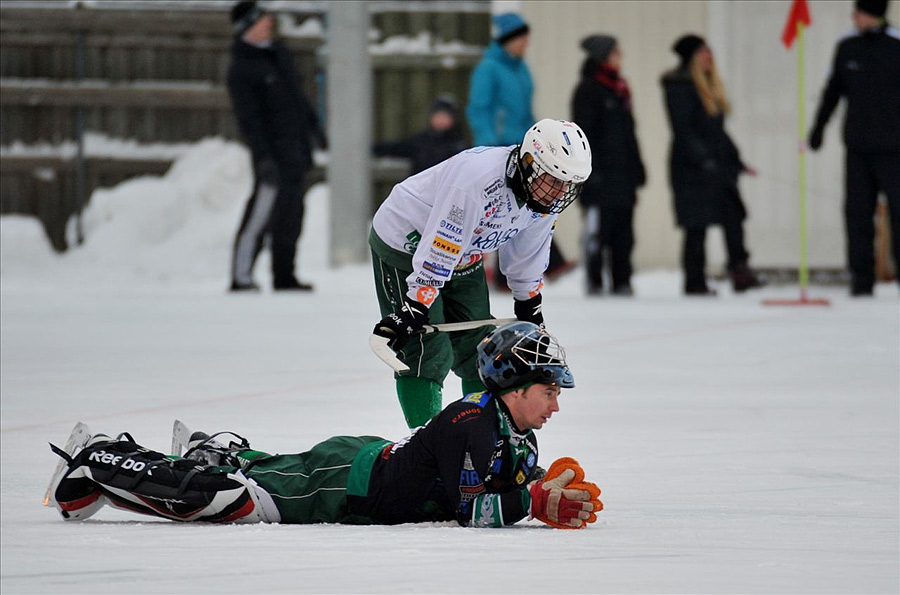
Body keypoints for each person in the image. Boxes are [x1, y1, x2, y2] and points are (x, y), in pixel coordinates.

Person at [48, 322, 603, 530]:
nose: (556, 404)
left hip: (358, 466)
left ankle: (214, 449)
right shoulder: (473, 417)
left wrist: (540, 485)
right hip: (347, 485)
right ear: (515, 385)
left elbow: (509, 482)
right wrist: (533, 501)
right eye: (549, 390)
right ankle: (96, 458)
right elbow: (473, 511)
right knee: (234, 502)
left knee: (269, 477)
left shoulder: (513, 429)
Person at [369, 119, 591, 428]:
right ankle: (428, 448)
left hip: (463, 249)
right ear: (529, 163)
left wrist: (528, 304)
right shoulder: (478, 180)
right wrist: (417, 304)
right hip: (405, 239)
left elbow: (528, 252)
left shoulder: (543, 195)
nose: (559, 193)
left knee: (482, 349)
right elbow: (442, 244)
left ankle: (481, 438)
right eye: (553, 181)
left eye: (568, 185)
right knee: (425, 348)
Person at [466, 12, 574, 288]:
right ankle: (506, 275)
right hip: (501, 148)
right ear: (506, 39)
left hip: (523, 147)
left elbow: (525, 110)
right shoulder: (489, 68)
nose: (526, 43)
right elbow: (479, 109)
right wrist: (491, 145)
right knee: (508, 205)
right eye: (521, 38)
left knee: (527, 203)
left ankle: (539, 264)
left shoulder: (521, 68)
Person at [227, 1, 325, 293]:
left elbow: (298, 98)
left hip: (296, 153)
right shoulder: (242, 68)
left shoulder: (278, 56)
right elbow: (250, 121)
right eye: (262, 19)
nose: (269, 23)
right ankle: (240, 276)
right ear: (248, 26)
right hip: (271, 157)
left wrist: (314, 130)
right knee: (261, 214)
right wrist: (263, 158)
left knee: (291, 216)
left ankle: (285, 276)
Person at [808, 0, 900, 296]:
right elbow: (832, 91)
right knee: (857, 214)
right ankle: (861, 280)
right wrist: (818, 127)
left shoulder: (896, 45)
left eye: (858, 12)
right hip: (858, 148)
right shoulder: (847, 47)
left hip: (895, 149)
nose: (854, 18)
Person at [660, 35, 765, 296]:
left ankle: (739, 271)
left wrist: (736, 160)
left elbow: (717, 131)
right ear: (691, 57)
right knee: (696, 226)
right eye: (703, 52)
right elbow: (683, 131)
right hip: (690, 169)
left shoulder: (708, 85)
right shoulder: (679, 86)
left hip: (716, 166)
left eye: (709, 52)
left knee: (733, 216)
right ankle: (694, 281)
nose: (709, 56)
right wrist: (703, 159)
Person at [572, 35, 646, 296]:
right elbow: (584, 135)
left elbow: (629, 133)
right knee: (598, 233)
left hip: (623, 176)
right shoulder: (588, 89)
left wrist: (638, 167)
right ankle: (594, 281)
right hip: (599, 178)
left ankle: (622, 280)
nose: (620, 55)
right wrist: (590, 173)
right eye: (616, 52)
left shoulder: (620, 88)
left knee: (624, 234)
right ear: (603, 57)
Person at [373, 95, 468, 176]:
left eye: (445, 116)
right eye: (438, 116)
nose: (440, 120)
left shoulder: (458, 145)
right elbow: (397, 148)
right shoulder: (421, 141)